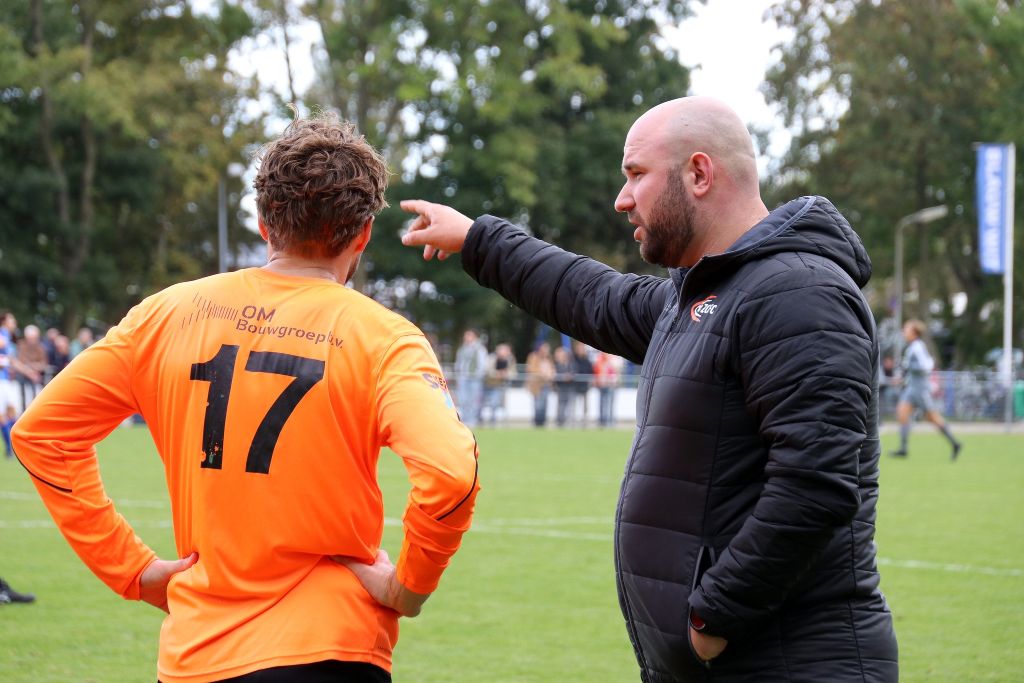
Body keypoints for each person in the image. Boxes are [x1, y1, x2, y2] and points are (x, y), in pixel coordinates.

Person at [399, 96, 897, 681]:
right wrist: (479, 241)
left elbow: (815, 484)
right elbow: (594, 295)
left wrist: (713, 620)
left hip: (786, 665)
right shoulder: (706, 297)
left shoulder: (797, 293)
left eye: (636, 174)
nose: (622, 198)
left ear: (700, 173)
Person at [13, 114, 480, 683]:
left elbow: (41, 434)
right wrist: (407, 586)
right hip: (330, 647)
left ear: (264, 225)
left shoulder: (166, 314)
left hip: (198, 654)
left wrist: (131, 570)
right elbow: (452, 474)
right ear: (362, 235)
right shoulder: (383, 337)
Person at [889, 319, 961, 460]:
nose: (904, 332)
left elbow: (926, 366)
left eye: (907, 329)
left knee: (933, 418)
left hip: (920, 389)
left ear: (915, 333)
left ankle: (955, 443)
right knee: (902, 413)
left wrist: (910, 368)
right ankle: (903, 449)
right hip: (912, 388)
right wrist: (903, 377)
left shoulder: (917, 347)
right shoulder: (911, 347)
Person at [453, 328, 488, 426]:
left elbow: (482, 363)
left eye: (468, 335)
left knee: (474, 400)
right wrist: (458, 373)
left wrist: (479, 374)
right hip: (463, 377)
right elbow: (459, 362)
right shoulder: (462, 348)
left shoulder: (480, 349)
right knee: (463, 399)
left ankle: (472, 420)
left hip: (475, 378)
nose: (466, 337)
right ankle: (465, 419)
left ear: (474, 337)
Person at [482, 342, 516, 426]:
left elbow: (513, 373)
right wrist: (498, 374)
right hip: (487, 384)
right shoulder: (491, 358)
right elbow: (487, 370)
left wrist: (506, 374)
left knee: (494, 403)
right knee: (481, 403)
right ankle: (479, 421)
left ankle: (492, 421)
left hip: (498, 386)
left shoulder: (510, 359)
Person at [524, 342, 555, 427]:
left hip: (546, 385)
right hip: (537, 385)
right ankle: (537, 423)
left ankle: (543, 422)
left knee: (545, 404)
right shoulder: (533, 357)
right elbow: (531, 369)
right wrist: (542, 374)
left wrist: (550, 375)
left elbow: (552, 370)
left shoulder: (549, 359)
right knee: (538, 405)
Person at [592, 351, 622, 427]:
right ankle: (602, 421)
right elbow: (597, 370)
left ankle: (610, 421)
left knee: (610, 403)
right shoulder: (600, 358)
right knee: (602, 403)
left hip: (611, 384)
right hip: (602, 384)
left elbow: (617, 371)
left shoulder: (614, 359)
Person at [571, 341, 594, 426]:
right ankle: (572, 422)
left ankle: (584, 422)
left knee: (585, 407)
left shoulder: (587, 360)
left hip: (585, 386)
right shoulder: (573, 359)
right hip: (575, 386)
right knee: (573, 405)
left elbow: (590, 371)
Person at [552, 345, 576, 427]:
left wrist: (570, 376)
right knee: (561, 406)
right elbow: (556, 375)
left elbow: (575, 373)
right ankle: (560, 422)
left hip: (570, 388)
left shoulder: (571, 364)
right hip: (561, 388)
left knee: (570, 406)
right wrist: (563, 377)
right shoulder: (557, 365)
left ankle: (569, 423)